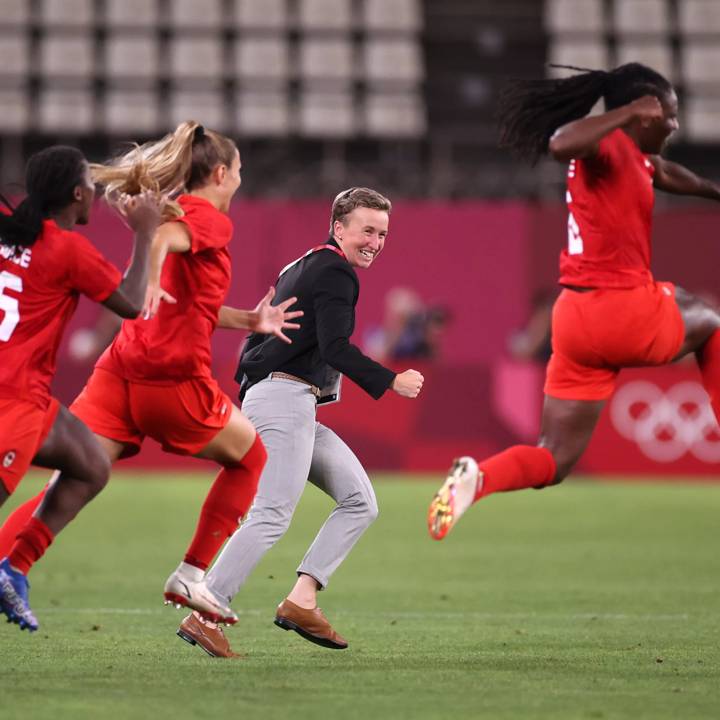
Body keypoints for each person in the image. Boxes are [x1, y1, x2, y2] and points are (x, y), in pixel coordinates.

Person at [0, 123, 302, 628]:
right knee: (251, 457)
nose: (241, 182)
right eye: (240, 172)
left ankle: (14, 566)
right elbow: (160, 241)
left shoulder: (174, 209)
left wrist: (250, 320)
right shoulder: (208, 219)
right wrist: (154, 271)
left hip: (119, 372)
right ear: (222, 173)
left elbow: (193, 301)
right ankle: (191, 572)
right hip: (171, 382)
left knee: (78, 472)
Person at [427, 63, 720, 540]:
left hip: (577, 322)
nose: (674, 125)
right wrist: (627, 111)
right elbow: (560, 141)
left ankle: (477, 479)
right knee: (709, 320)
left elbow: (664, 172)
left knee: (553, 457)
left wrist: (714, 191)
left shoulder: (634, 156)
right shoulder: (606, 142)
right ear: (644, 112)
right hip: (623, 308)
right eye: (669, 114)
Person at [176, 187, 424, 658]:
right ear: (338, 228)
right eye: (367, 230)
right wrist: (391, 380)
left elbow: (259, 341)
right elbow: (335, 348)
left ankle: (302, 599)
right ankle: (206, 612)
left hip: (285, 399)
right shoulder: (335, 271)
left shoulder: (301, 266)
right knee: (271, 514)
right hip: (284, 400)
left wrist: (257, 390)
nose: (375, 241)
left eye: (383, 233)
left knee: (359, 501)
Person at [0, 145, 163, 631]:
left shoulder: (11, 235)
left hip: (25, 395)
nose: (94, 193)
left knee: (90, 464)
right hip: (12, 399)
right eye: (90, 186)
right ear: (76, 195)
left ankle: (12, 568)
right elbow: (132, 303)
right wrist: (146, 232)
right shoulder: (66, 248)